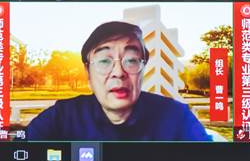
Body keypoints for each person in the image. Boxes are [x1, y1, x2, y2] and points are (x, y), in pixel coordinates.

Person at [26, 21, 212, 141]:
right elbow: (21, 153)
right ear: (88, 72)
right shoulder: (63, 116)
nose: (118, 73)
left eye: (131, 60)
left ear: (143, 68)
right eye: (104, 61)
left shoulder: (177, 116)